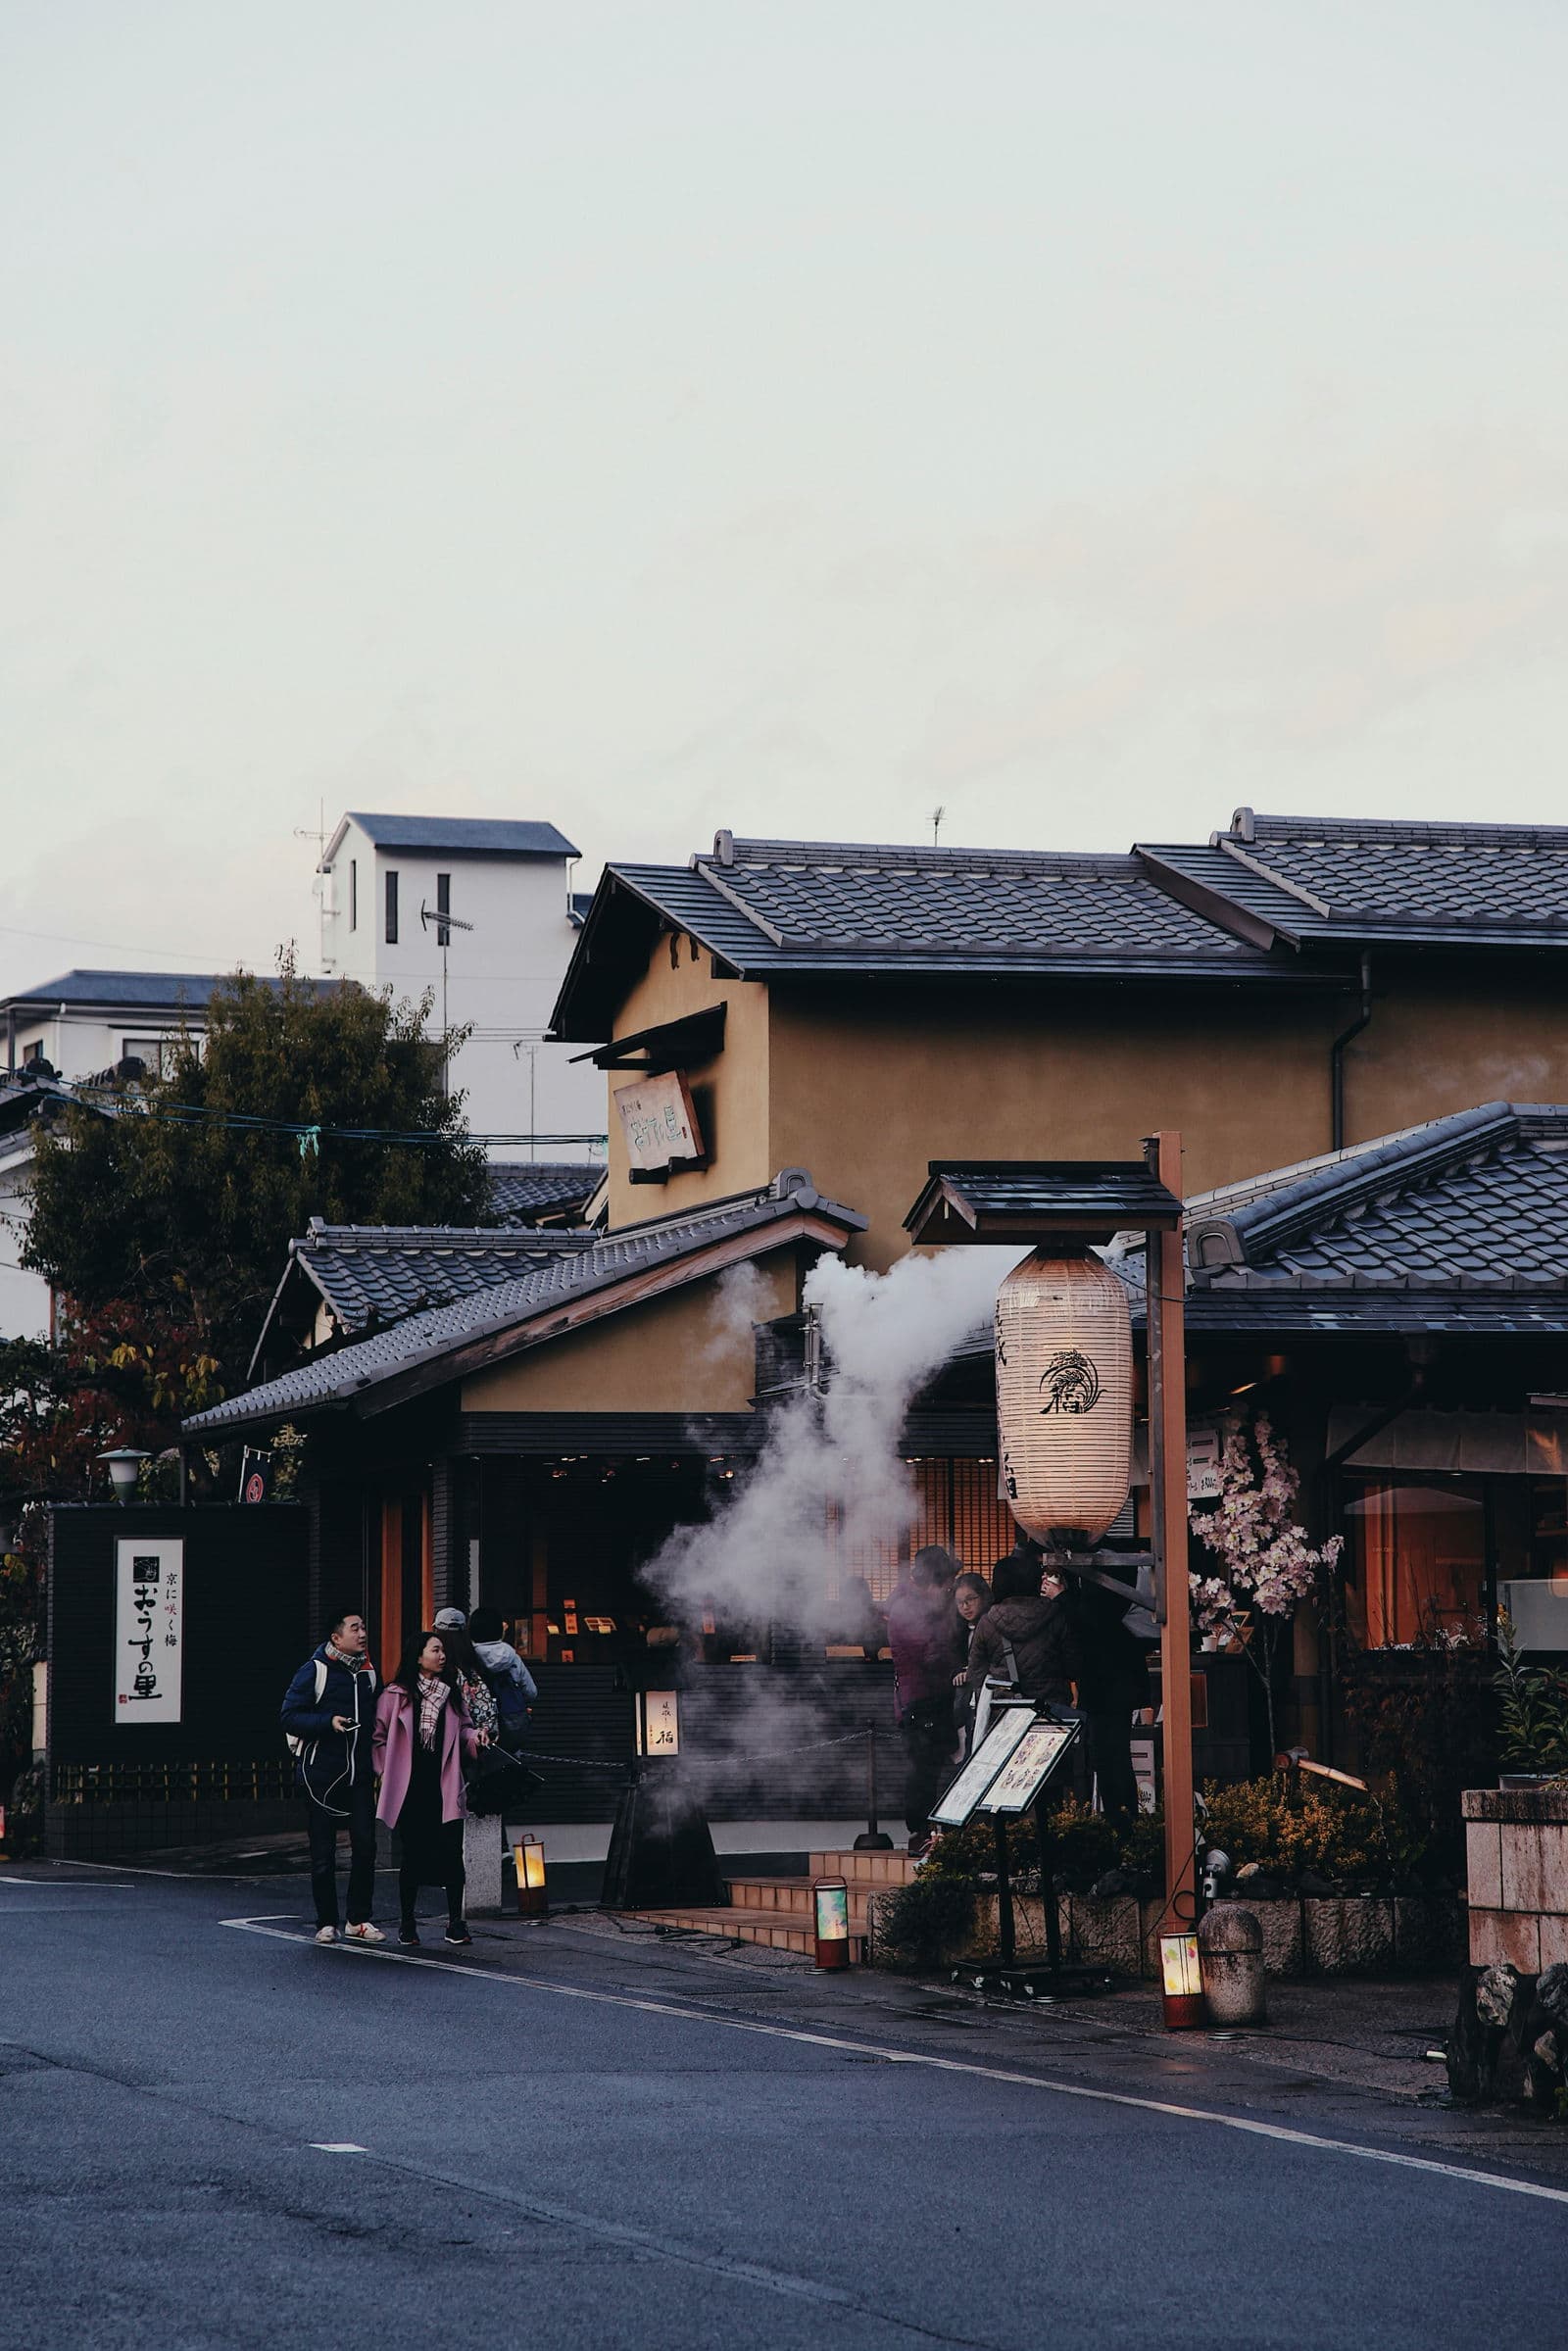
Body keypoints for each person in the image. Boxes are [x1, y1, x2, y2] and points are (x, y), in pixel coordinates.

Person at [372, 1630, 487, 1946]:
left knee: (452, 1852)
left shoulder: (451, 1693)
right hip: (410, 1786)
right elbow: (377, 1737)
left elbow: (464, 1730)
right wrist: (386, 1769)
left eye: (442, 1651)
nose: (442, 1656)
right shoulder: (395, 1695)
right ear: (418, 1655)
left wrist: (475, 1738)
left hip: (444, 1782)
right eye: (435, 1650)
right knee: (413, 1855)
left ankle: (456, 1922)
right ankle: (407, 1922)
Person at [281, 1609, 385, 1947]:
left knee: (366, 1846)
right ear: (336, 1638)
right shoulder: (315, 1670)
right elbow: (289, 1716)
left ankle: (358, 1919)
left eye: (364, 1627)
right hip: (321, 1775)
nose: (363, 1633)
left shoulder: (369, 1674)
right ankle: (326, 1922)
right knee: (323, 1852)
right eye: (355, 1628)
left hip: (358, 1775)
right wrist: (328, 1722)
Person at [886, 1547, 961, 1856]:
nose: (947, 1589)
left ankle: (929, 1830)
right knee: (923, 1769)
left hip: (922, 1698)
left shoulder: (911, 1606)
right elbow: (931, 1656)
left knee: (928, 1767)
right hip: (921, 1699)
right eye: (945, 1583)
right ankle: (921, 1832)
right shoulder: (910, 1611)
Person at [1065, 1570, 1152, 1819]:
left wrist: (1062, 1597)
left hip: (1109, 1686)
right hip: (1112, 1686)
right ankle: (1123, 1820)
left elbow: (1090, 1623)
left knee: (1110, 1758)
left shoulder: (1107, 1581)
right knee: (1111, 1757)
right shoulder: (1106, 1578)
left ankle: (1122, 1821)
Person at [965, 1547, 1081, 1715]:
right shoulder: (1056, 1615)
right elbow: (1073, 1667)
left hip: (1003, 1713)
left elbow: (975, 1674)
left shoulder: (987, 1622)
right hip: (1050, 1711)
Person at [467, 1605, 538, 1749]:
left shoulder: (468, 1657)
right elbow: (531, 1692)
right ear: (499, 1629)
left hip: (478, 1729)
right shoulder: (512, 1657)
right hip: (511, 1724)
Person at [433, 1606, 501, 1744]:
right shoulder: (476, 1665)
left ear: (436, 1631)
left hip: (449, 1741)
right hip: (480, 1740)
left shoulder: (438, 1667)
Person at [950, 1571, 992, 1754]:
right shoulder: (959, 1631)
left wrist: (972, 1671)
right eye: (960, 1603)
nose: (965, 1607)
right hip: (969, 1704)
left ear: (983, 1596)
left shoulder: (992, 1625)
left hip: (988, 1701)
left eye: (970, 1599)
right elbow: (952, 1661)